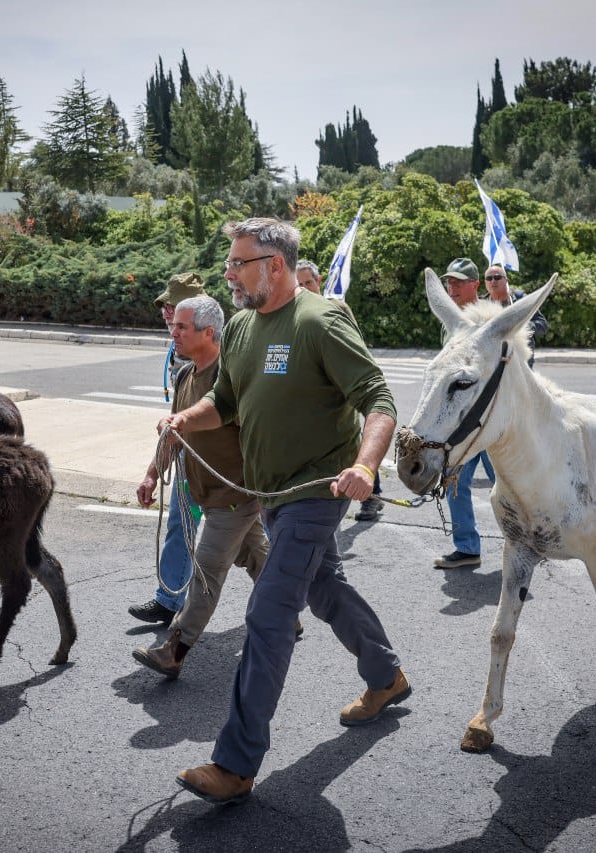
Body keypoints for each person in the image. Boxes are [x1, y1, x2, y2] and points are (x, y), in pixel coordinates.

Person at [165, 217, 407, 804]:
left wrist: (366, 467)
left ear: (274, 265)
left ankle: (235, 764)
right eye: (229, 262)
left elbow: (379, 400)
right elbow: (224, 401)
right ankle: (386, 676)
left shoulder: (320, 321)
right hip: (268, 496)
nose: (229, 273)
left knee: (269, 614)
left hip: (316, 493)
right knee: (324, 589)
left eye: (238, 262)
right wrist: (183, 420)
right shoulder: (242, 328)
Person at [132, 295, 271, 678]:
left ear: (209, 333)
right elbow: (174, 437)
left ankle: (174, 649)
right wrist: (151, 475)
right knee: (255, 556)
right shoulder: (184, 376)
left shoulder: (232, 378)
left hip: (235, 496)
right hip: (203, 492)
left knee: (207, 570)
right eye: (173, 325)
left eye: (182, 327)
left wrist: (263, 491)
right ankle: (285, 612)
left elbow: (260, 437)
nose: (173, 333)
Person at [128, 272, 205, 626]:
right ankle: (169, 599)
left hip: (228, 465)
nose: (165, 313)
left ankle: (284, 604)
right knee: (180, 524)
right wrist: (152, 473)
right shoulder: (180, 351)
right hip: (191, 455)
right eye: (165, 306)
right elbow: (177, 422)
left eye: (173, 307)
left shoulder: (218, 353)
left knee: (250, 542)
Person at [297, 258, 386, 522]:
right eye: (299, 284)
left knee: (354, 440)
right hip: (312, 391)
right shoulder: (292, 311)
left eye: (308, 282)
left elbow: (354, 347)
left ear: (319, 281)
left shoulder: (336, 308)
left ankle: (371, 495)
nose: (304, 288)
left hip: (341, 387)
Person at [434, 257, 496, 570]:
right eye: (449, 282)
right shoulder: (450, 323)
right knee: (454, 482)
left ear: (475, 284)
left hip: (492, 421)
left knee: (511, 485)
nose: (452, 287)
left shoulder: (491, 319)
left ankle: (532, 540)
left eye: (458, 282)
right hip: (462, 424)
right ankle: (467, 548)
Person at [484, 264, 549, 365]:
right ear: (485, 283)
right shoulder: (481, 304)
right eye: (489, 278)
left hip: (520, 362)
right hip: (491, 364)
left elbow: (542, 325)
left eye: (497, 277)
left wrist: (521, 326)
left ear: (506, 280)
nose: (493, 281)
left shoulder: (521, 300)